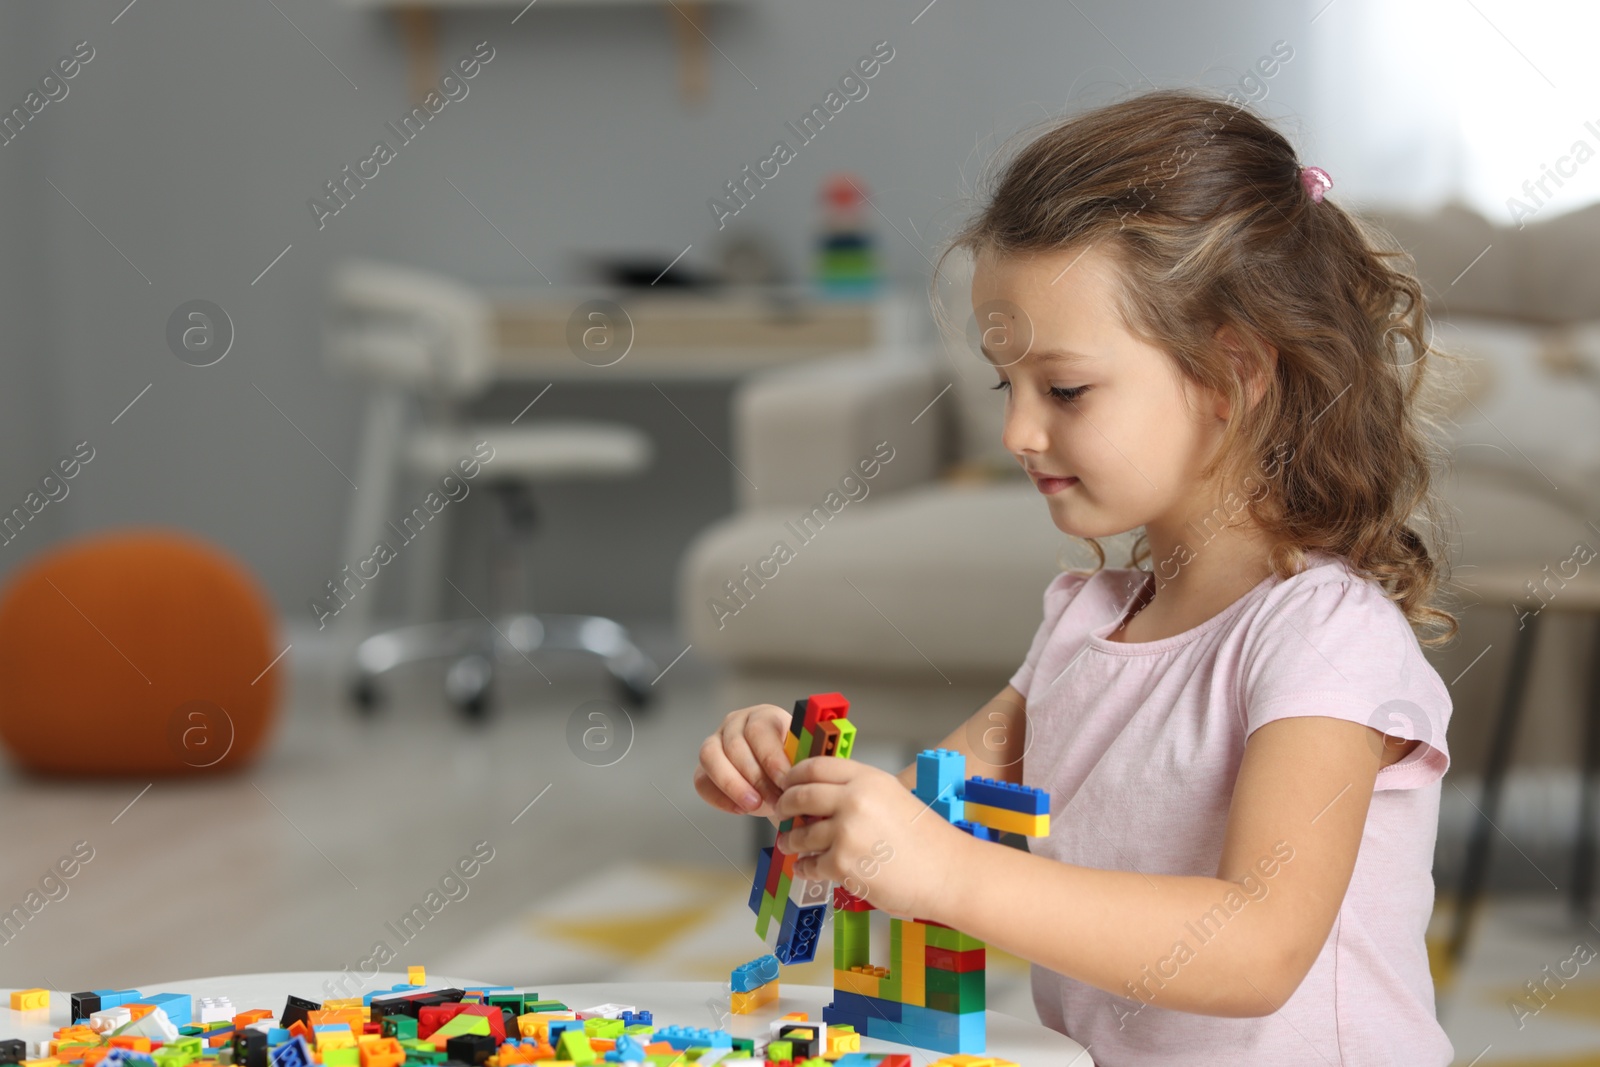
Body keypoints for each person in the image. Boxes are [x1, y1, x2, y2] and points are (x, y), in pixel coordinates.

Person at [693, 88, 1461, 1066]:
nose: (1017, 431)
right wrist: (808, 788)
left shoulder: (1324, 636)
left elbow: (1260, 946)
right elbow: (917, 815)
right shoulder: (1082, 625)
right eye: (1002, 384)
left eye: (1063, 388)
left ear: (1230, 377)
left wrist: (944, 871)